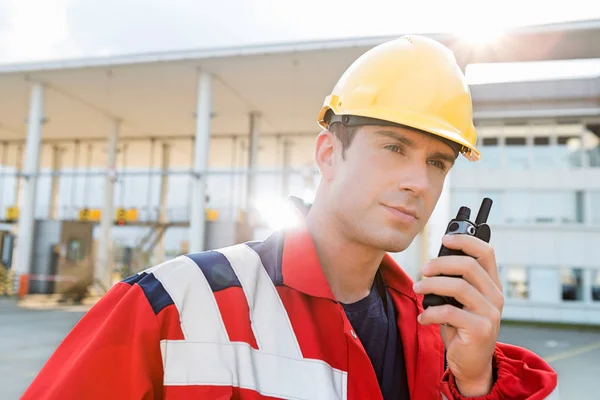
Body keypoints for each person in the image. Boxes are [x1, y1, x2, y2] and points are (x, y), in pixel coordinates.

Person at [23, 35, 559, 400]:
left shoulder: (435, 338)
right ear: (327, 154)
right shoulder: (172, 304)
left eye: (437, 162)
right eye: (394, 148)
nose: (418, 182)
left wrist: (474, 382)